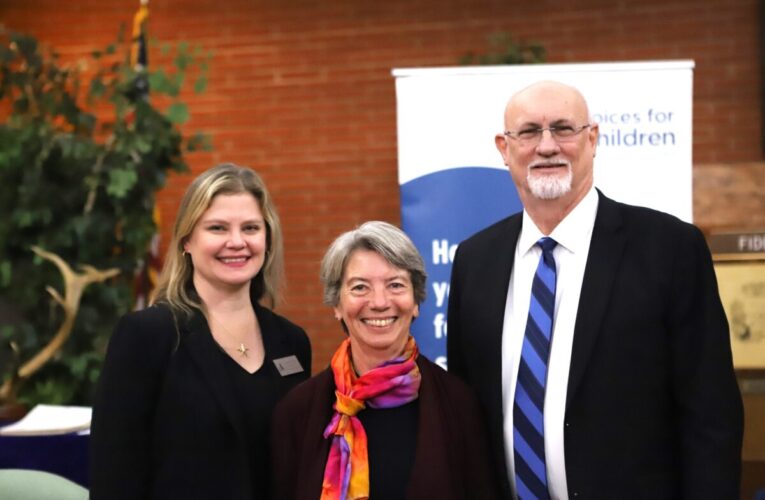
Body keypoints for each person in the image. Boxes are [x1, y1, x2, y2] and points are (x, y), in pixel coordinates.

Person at [447, 81, 743, 499]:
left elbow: (711, 415)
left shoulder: (669, 248)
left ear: (592, 139)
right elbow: (465, 412)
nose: (547, 146)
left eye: (564, 129)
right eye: (529, 131)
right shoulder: (475, 260)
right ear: (504, 147)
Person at [90, 163, 311, 500]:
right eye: (218, 228)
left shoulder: (292, 343)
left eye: (251, 227)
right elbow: (115, 477)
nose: (237, 242)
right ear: (187, 241)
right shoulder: (147, 336)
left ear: (267, 239)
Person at [271, 221, 499, 499]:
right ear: (337, 305)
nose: (379, 302)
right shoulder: (297, 413)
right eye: (359, 288)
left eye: (395, 285)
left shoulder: (460, 406)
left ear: (416, 301)